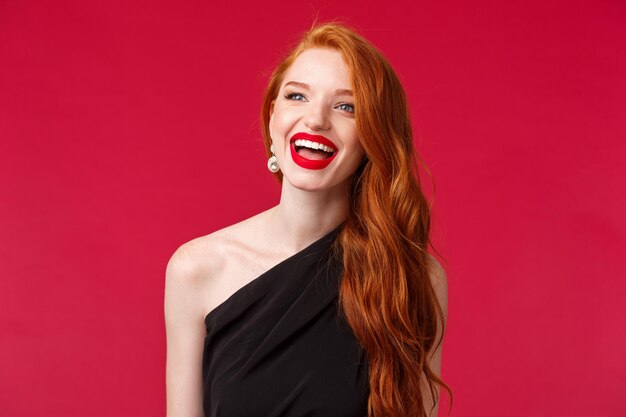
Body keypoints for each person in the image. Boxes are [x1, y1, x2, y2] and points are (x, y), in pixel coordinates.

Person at [164, 21, 451, 417]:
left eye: (346, 106)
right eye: (297, 96)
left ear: (374, 138)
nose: (316, 120)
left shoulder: (415, 277)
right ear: (271, 117)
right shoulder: (195, 270)